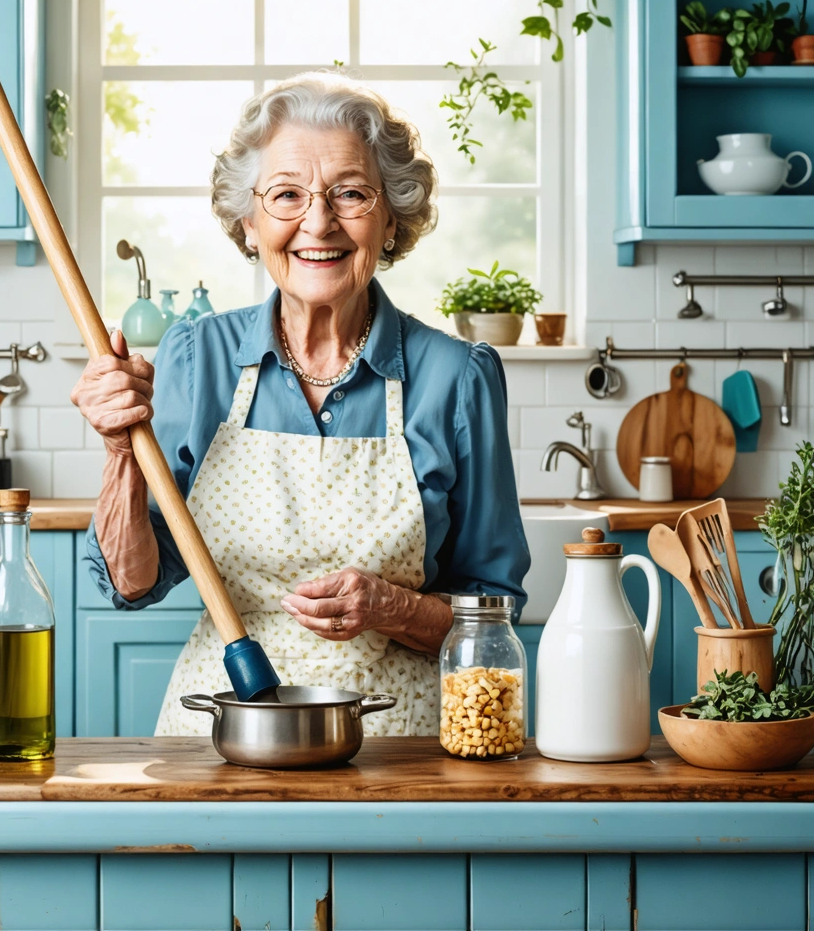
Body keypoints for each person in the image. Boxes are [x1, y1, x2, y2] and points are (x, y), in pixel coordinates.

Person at [73, 73, 529, 735]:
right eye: (287, 195)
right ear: (250, 224)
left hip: (397, 750)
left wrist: (393, 609)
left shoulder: (457, 377)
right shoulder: (196, 358)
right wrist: (119, 450)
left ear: (392, 220)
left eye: (350, 193)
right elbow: (132, 583)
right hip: (221, 734)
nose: (318, 222)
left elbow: (495, 615)